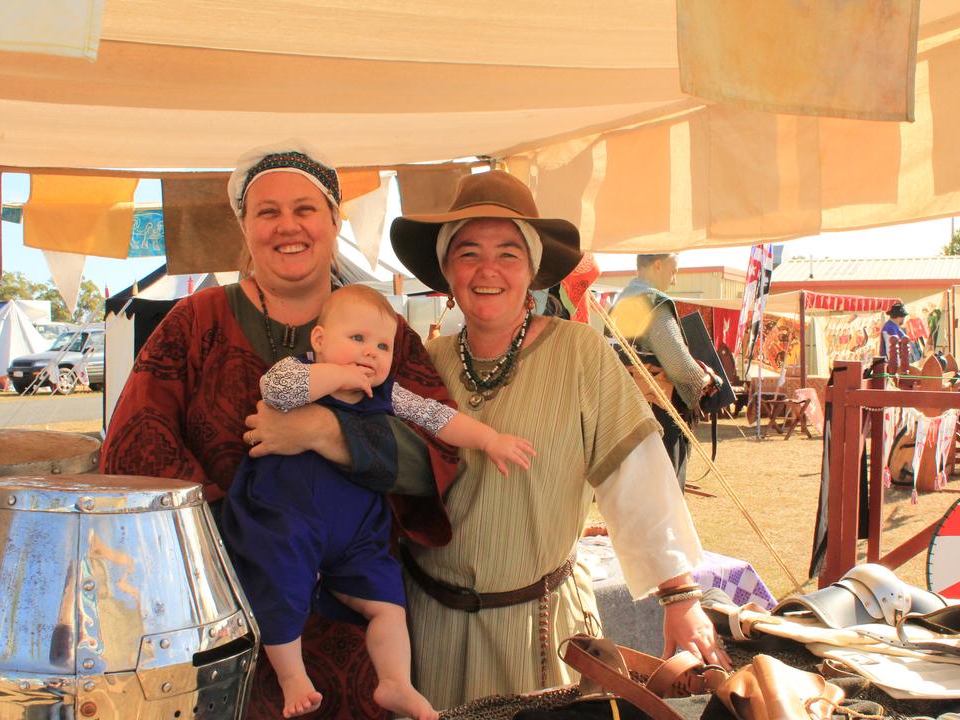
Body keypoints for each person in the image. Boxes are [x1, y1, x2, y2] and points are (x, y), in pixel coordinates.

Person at [100, 140, 459, 720]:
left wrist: (325, 433)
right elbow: (133, 449)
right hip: (220, 627)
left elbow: (437, 454)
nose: (287, 226)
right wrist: (241, 544)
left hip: (357, 634)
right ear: (244, 226)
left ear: (335, 221)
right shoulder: (194, 324)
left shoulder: (382, 327)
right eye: (267, 212)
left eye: (305, 209)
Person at [386, 170, 726, 709]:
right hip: (431, 629)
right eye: (468, 253)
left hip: (540, 633)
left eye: (508, 253)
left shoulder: (579, 354)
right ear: (447, 271)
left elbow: (635, 473)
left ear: (533, 269)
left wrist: (679, 595)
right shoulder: (426, 364)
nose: (488, 270)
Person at [223, 284, 535, 719]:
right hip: (287, 515)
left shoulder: (388, 392)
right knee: (279, 582)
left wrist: (489, 439)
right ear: (319, 341)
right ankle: (291, 677)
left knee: (387, 603)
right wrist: (339, 377)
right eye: (357, 340)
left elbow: (437, 417)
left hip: (355, 530)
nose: (371, 354)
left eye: (383, 346)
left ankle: (395, 682)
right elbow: (275, 390)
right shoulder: (299, 372)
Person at [608, 253, 718, 489]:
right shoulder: (652, 303)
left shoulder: (619, 301)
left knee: (633, 502)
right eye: (674, 271)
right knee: (661, 504)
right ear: (658, 265)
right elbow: (683, 372)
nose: (674, 279)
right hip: (656, 420)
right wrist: (710, 378)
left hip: (625, 418)